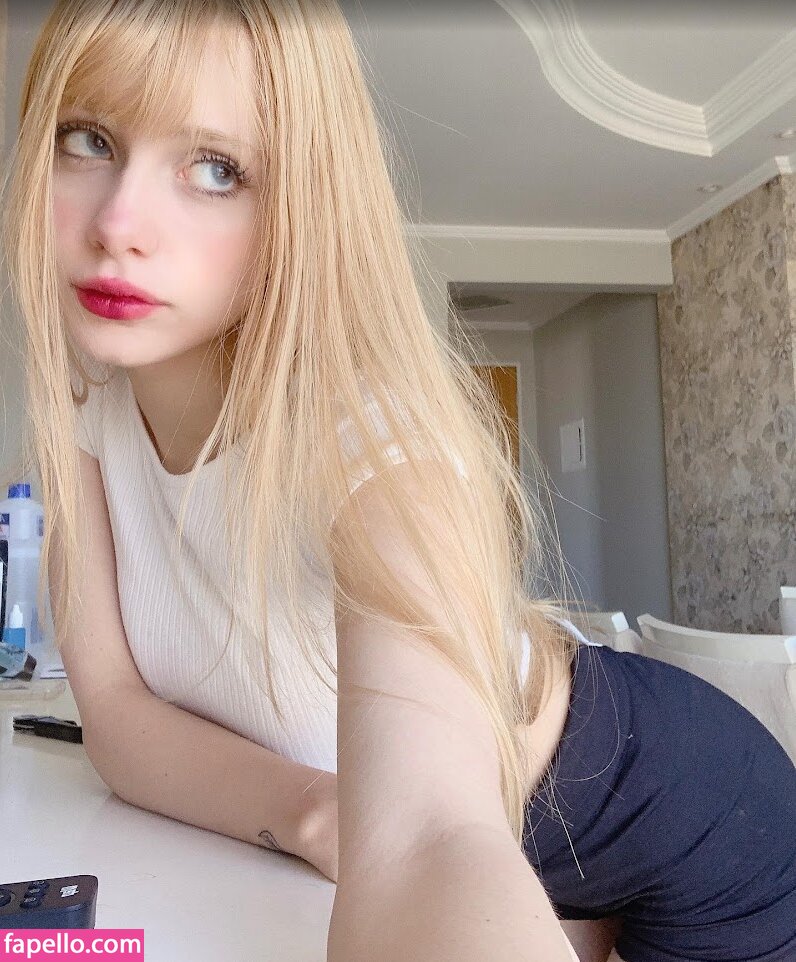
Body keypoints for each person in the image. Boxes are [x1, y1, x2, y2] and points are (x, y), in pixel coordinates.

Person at [1, 2, 793, 961]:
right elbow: (118, 721)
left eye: (216, 169)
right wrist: (312, 813)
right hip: (513, 845)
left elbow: (428, 838)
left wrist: (355, 831)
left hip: (681, 812)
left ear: (301, 207)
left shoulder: (371, 442)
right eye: (89, 139)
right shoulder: (84, 425)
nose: (118, 224)